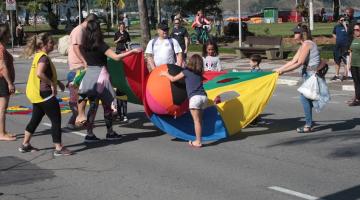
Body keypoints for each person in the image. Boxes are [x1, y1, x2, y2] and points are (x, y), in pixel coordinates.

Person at [79, 20, 141, 143]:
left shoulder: (85, 45)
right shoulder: (100, 44)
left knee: (93, 106)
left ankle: (89, 134)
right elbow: (116, 57)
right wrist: (132, 52)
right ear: (97, 30)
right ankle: (110, 132)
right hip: (101, 75)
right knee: (107, 106)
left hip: (90, 75)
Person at [20, 33, 72, 156]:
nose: (53, 45)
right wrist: (52, 84)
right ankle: (58, 148)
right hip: (44, 93)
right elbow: (40, 73)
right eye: (50, 43)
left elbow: (44, 73)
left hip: (36, 93)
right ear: (43, 45)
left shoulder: (38, 55)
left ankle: (25, 144)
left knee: (35, 119)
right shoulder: (43, 57)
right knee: (56, 119)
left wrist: (57, 82)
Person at [274, 24, 328, 133]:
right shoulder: (303, 45)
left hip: (312, 75)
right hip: (308, 74)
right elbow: (293, 61)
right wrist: (278, 69)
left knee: (304, 98)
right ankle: (309, 123)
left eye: (296, 32)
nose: (294, 34)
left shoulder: (307, 44)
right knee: (308, 98)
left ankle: (308, 125)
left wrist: (283, 71)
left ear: (303, 34)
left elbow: (300, 62)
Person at [160, 54, 208, 148]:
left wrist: (165, 74)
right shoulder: (199, 74)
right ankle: (199, 137)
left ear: (190, 62)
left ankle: (198, 141)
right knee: (199, 120)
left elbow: (173, 79)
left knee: (196, 121)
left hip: (195, 98)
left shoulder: (186, 72)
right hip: (204, 97)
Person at [67, 14, 98, 129]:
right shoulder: (79, 30)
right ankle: (78, 118)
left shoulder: (83, 31)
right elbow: (76, 47)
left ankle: (78, 118)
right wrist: (85, 62)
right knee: (79, 94)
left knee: (82, 93)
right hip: (78, 66)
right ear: (89, 22)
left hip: (80, 65)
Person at [0, 24, 16, 141]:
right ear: (3, 35)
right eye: (8, 33)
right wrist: (10, 83)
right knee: (2, 108)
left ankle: (3, 131)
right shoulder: (1, 48)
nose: (10, 36)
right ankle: (1, 133)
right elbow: (3, 66)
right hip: (2, 80)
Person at [331, 16, 350, 81]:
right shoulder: (336, 26)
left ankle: (345, 75)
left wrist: (345, 26)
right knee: (337, 61)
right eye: (341, 20)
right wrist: (337, 37)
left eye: (344, 20)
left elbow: (349, 33)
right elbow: (333, 33)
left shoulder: (347, 26)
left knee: (345, 61)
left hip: (345, 47)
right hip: (337, 47)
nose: (343, 21)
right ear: (339, 20)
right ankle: (336, 75)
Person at [347, 23, 360, 106]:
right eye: (355, 30)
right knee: (356, 82)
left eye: (357, 30)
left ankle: (357, 99)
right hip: (354, 65)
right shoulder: (354, 40)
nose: (356, 31)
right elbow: (351, 52)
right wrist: (349, 64)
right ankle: (357, 97)